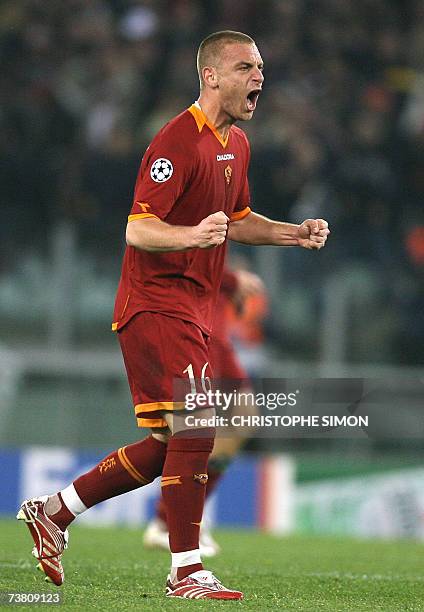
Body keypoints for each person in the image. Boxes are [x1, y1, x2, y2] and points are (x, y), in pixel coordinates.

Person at [17, 30, 329, 601]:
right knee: (200, 426)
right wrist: (192, 233)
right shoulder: (176, 141)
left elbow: (236, 218)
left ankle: (55, 511)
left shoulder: (237, 144)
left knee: (174, 443)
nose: (258, 77)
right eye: (245, 67)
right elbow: (138, 227)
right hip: (155, 304)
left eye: (260, 67)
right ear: (211, 75)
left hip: (195, 310)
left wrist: (292, 233)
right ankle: (185, 569)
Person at [143, 265, 265, 557]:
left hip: (217, 337)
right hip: (196, 333)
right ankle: (173, 521)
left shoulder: (222, 227)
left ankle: (169, 520)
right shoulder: (188, 223)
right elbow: (182, 258)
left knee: (243, 420)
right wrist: (234, 278)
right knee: (191, 432)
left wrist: (231, 283)